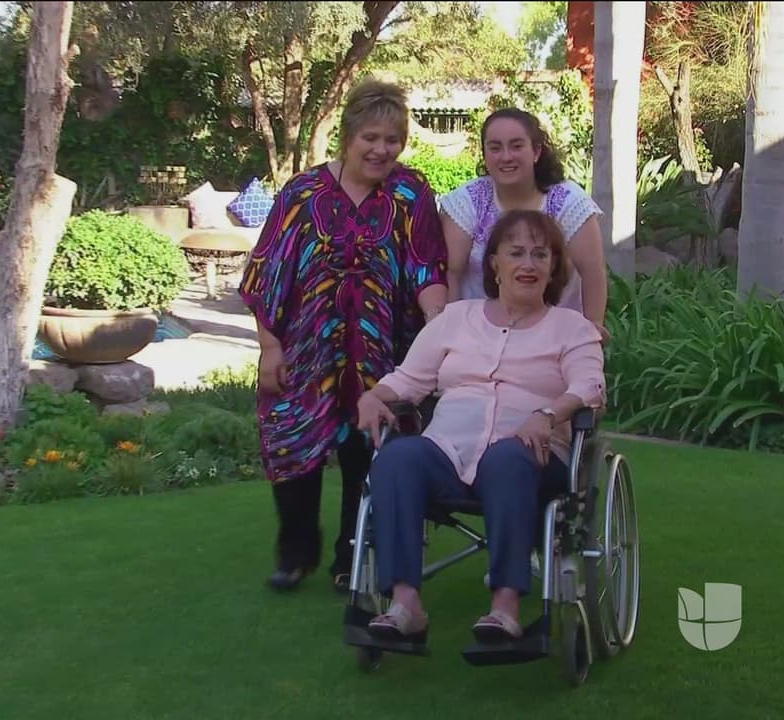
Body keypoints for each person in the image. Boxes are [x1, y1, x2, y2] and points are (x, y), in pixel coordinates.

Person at [353, 209, 605, 642]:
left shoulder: (572, 328)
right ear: (494, 263)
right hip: (449, 452)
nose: (528, 264)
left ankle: (504, 608)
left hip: (531, 457)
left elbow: (589, 385)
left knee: (508, 457)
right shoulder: (456, 318)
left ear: (553, 266)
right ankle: (405, 604)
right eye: (516, 253)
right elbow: (410, 380)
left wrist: (548, 415)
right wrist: (372, 395)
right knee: (397, 458)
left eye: (540, 255)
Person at [239, 79, 449, 594]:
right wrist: (269, 346)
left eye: (392, 140)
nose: (381, 150)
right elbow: (266, 273)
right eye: (371, 138)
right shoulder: (301, 194)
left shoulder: (411, 193)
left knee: (368, 451)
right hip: (306, 351)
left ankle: (350, 557)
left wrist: (441, 333)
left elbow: (426, 268)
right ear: (349, 135)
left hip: (383, 353)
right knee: (292, 445)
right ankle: (296, 552)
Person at [438, 108, 610, 339]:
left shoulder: (569, 202)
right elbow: (452, 272)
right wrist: (446, 334)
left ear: (536, 151)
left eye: (517, 146)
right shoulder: (467, 200)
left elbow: (592, 271)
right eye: (495, 147)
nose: (506, 156)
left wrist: (592, 330)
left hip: (555, 339)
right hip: (478, 338)